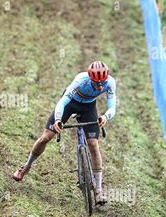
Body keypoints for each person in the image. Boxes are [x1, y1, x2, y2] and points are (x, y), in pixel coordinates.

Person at [12, 61, 117, 205]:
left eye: (102, 83)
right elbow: (62, 103)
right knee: (46, 137)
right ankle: (26, 167)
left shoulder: (110, 82)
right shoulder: (81, 80)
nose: (100, 86)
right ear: (90, 78)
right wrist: (57, 120)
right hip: (70, 103)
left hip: (88, 107)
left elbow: (112, 107)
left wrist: (105, 116)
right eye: (95, 83)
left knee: (93, 144)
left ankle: (98, 190)